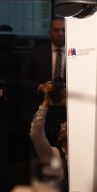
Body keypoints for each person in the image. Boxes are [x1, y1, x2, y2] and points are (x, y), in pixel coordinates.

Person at [18, 17, 67, 148]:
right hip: (40, 110)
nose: (60, 33)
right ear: (50, 32)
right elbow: (22, 80)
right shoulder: (35, 53)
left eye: (63, 30)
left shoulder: (76, 54)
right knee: (38, 155)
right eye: (56, 30)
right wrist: (41, 87)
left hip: (67, 112)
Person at [29, 91, 68, 192]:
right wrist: (46, 102)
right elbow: (35, 133)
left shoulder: (82, 154)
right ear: (59, 134)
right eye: (64, 125)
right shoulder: (53, 153)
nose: (66, 126)